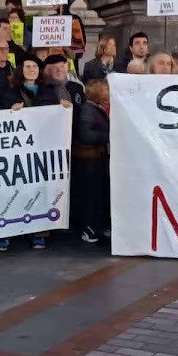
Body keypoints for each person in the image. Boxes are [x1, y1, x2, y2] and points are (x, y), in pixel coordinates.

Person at [75, 79, 111, 245]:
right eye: (106, 90)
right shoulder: (88, 110)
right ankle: (87, 228)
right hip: (90, 161)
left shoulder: (95, 109)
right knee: (90, 196)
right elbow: (85, 135)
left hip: (97, 160)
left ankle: (97, 225)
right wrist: (109, 137)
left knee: (98, 195)